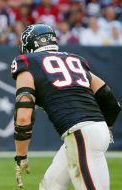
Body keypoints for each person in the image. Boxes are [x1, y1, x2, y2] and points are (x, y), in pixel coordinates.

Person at [11, 23, 121, 190]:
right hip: (92, 130)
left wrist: (21, 156)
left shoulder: (27, 62)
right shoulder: (75, 60)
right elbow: (111, 102)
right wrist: (105, 129)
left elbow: (23, 116)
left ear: (29, 44)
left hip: (80, 132)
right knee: (50, 186)